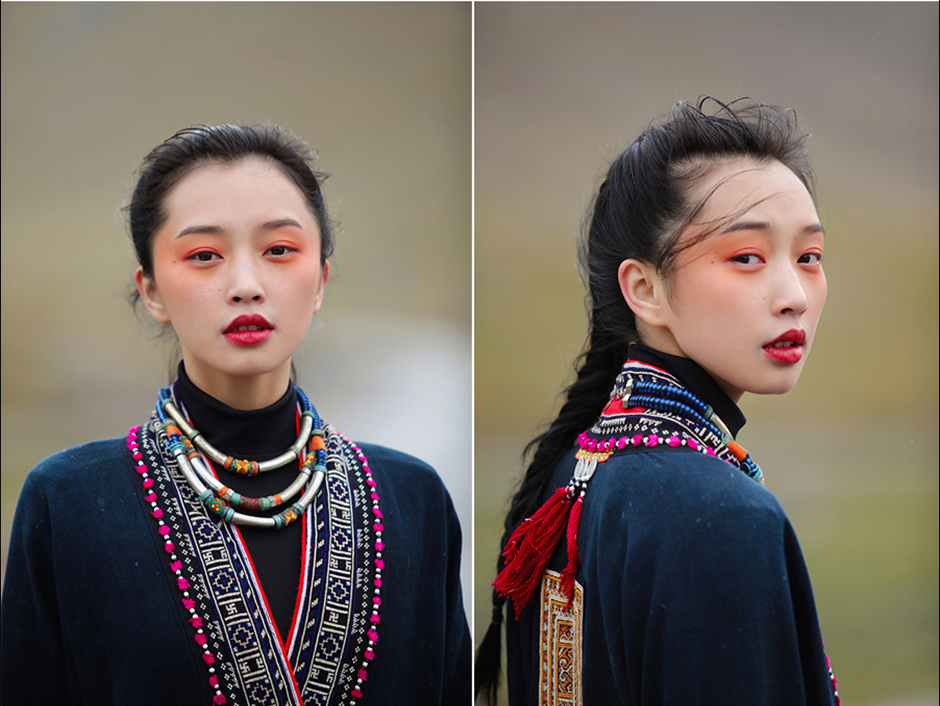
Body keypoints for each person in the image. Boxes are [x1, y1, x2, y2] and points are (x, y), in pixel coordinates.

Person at [1, 124, 471, 705]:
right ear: (150, 291)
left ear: (320, 279)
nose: (246, 285)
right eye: (203, 256)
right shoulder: (69, 499)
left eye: (280, 250)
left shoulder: (413, 498)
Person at [476, 98, 839, 705]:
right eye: (747, 257)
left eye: (809, 258)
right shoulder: (717, 515)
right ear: (645, 289)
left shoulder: (572, 474)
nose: (794, 295)